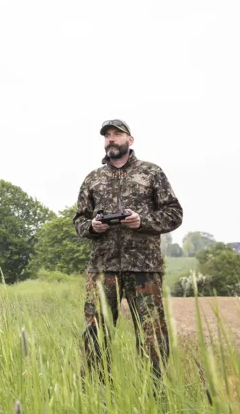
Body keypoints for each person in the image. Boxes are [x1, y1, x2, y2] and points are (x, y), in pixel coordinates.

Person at [73, 119, 183, 384]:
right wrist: (93, 226)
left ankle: (154, 394)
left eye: (117, 134)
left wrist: (142, 221)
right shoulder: (93, 179)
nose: (111, 139)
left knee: (152, 335)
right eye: (107, 135)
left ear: (130, 140)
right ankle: (98, 394)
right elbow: (78, 221)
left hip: (144, 268)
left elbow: (174, 214)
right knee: (95, 333)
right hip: (102, 268)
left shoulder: (151, 173)